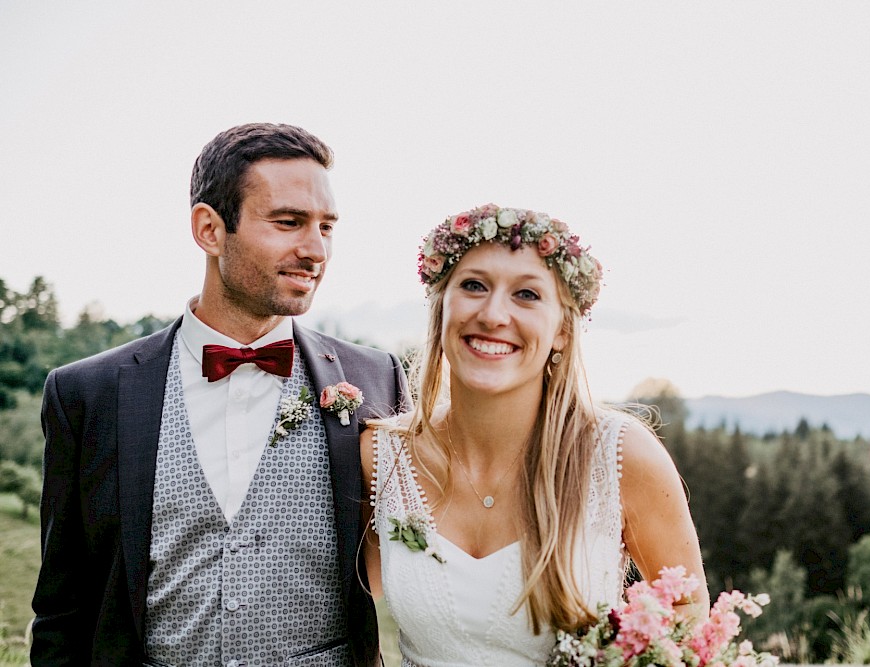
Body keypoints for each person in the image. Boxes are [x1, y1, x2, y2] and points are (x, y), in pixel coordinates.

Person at [31, 123, 409, 666]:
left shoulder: (376, 378)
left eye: (327, 227)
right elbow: (62, 611)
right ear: (209, 229)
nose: (315, 249)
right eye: (288, 223)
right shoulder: (87, 394)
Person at [361, 204, 708, 666]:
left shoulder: (621, 456)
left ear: (562, 329)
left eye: (526, 294)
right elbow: (340, 610)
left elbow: (686, 612)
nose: (493, 314)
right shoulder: (381, 457)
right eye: (473, 286)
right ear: (441, 305)